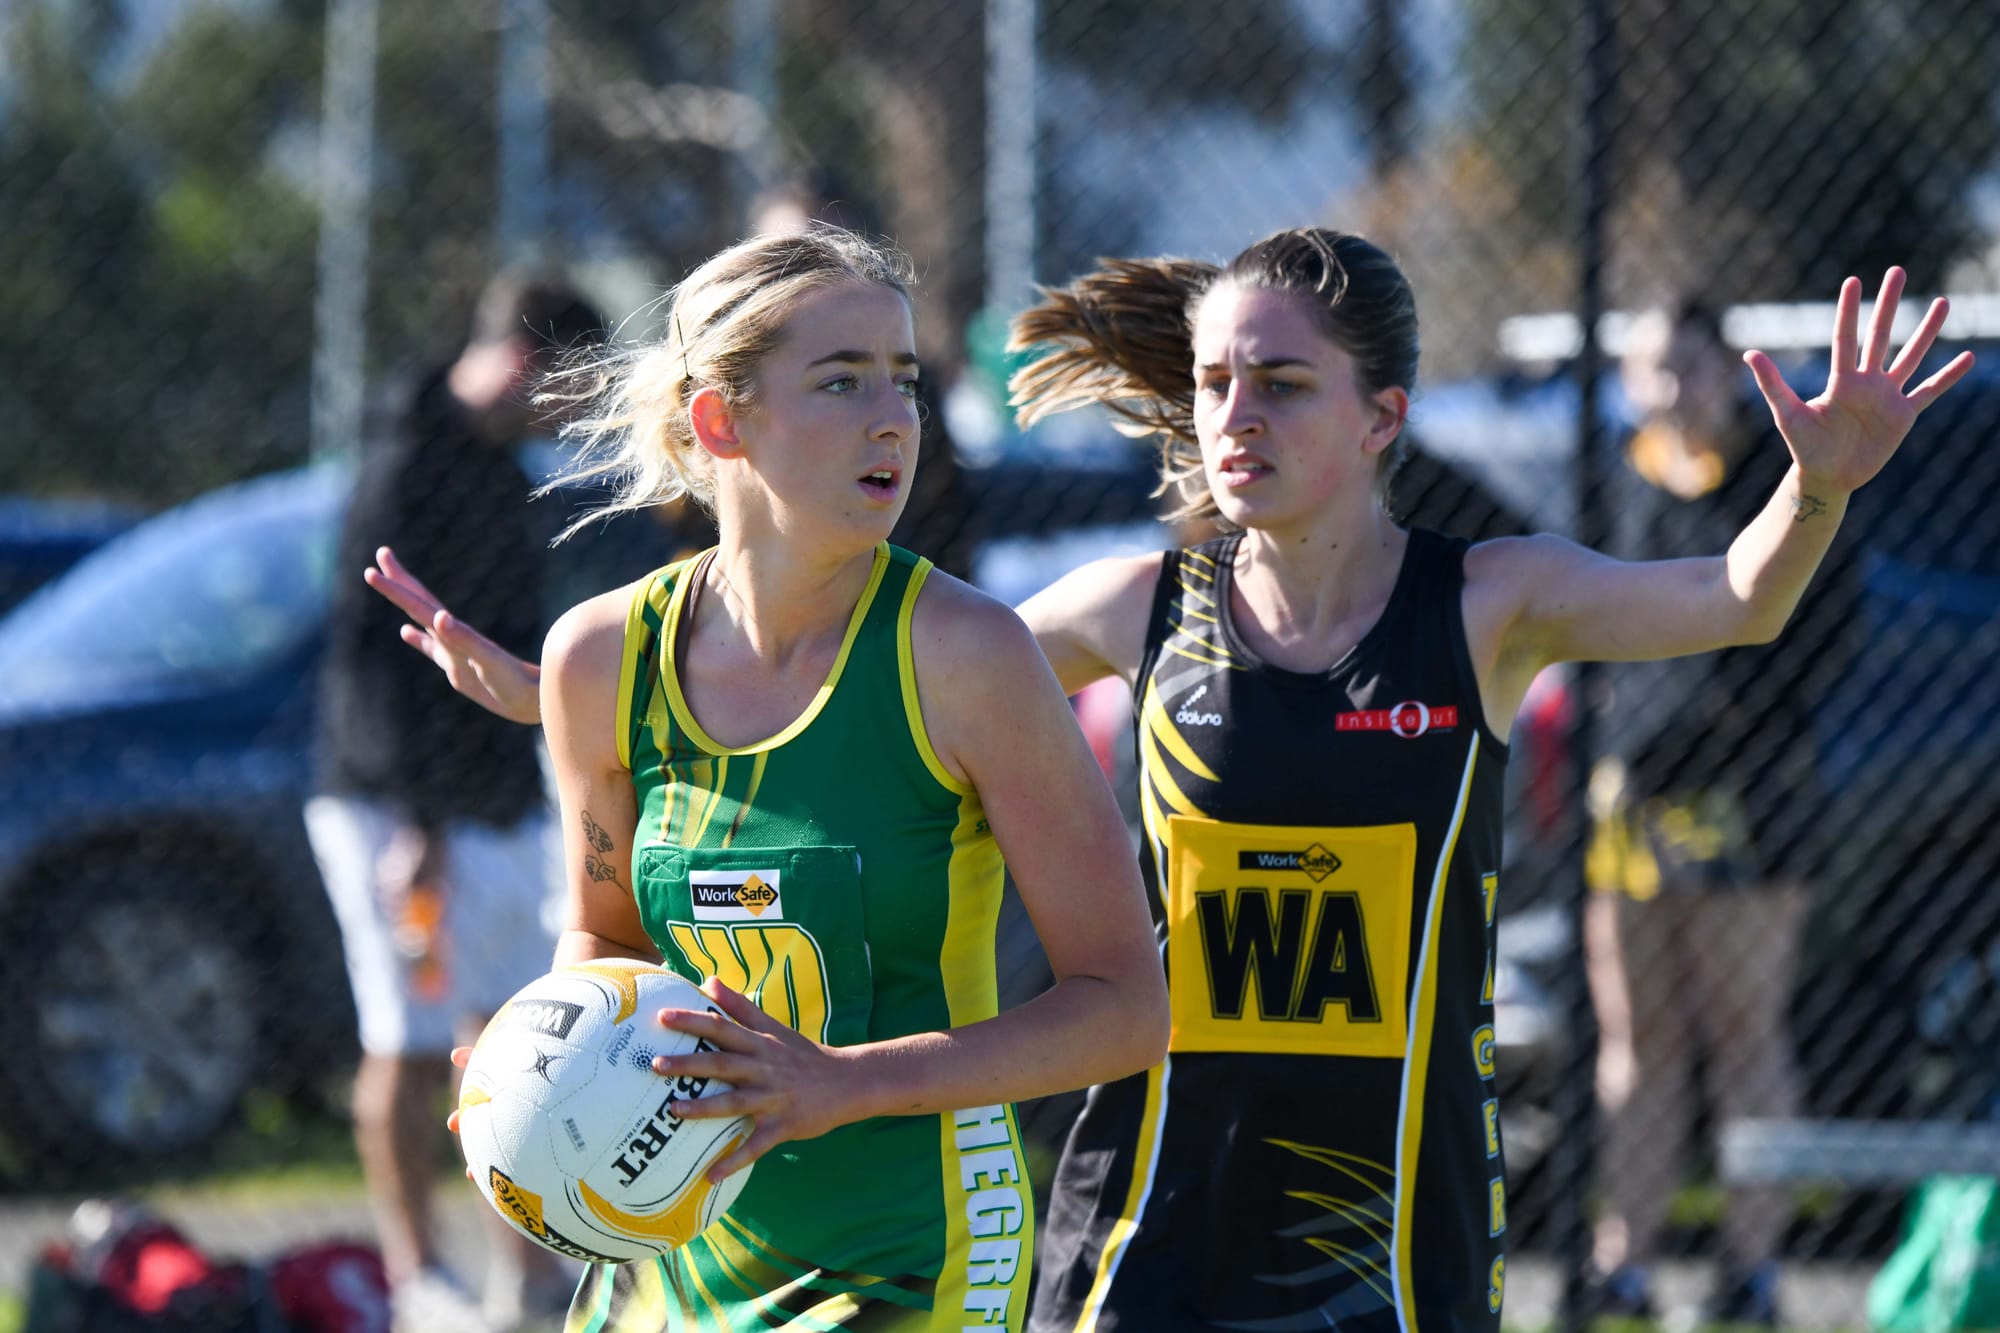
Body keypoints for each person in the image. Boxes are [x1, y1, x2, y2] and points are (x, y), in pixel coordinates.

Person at [374, 229, 1969, 1330]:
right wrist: (571, 700)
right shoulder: (1133, 613)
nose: (1232, 418)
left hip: (1381, 1200)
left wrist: (1815, 495)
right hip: (1149, 1179)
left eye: (1281, 386)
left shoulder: (1484, 603)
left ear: (1382, 418)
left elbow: (1738, 603)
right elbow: (844, 721)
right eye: (1214, 385)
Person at [439, 226, 1167, 1331]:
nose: (892, 418)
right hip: (670, 1239)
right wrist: (534, 1074)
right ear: (721, 419)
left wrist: (845, 1081)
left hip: (910, 1255)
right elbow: (606, 943)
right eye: (841, 380)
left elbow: (1122, 1009)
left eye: (905, 382)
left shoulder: (963, 656)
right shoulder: (600, 660)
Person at [307, 271, 607, 1333]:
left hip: (489, 798)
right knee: (405, 1036)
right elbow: (372, 659)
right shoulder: (404, 458)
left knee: (511, 1035)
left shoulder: (498, 465)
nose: (571, 422)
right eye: (571, 396)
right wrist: (418, 830)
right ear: (530, 366)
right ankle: (411, 1279)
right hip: (392, 810)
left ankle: (520, 1275)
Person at [1579, 300, 1856, 1324]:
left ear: (1727, 370)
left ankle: (1750, 1271)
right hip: (1629, 807)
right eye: (1646, 369)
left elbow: (1817, 636)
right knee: (1637, 1040)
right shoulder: (1616, 476)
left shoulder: (1783, 482)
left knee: (1742, 1032)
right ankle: (1627, 1263)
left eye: (1684, 367)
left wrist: (1719, 731)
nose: (1665, 389)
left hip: (1749, 807)